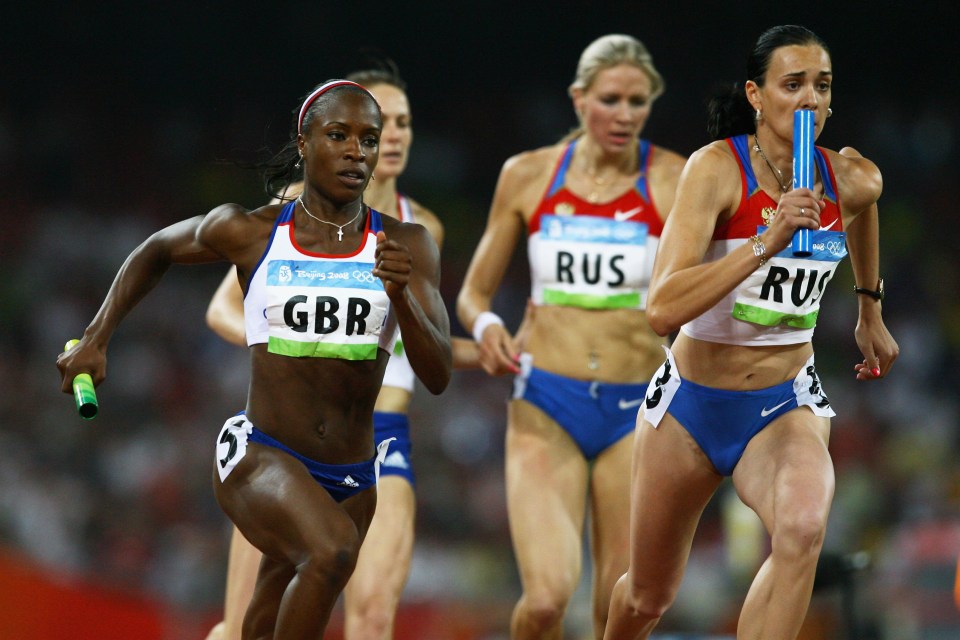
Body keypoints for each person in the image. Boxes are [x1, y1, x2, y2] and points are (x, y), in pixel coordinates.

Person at [57, 79, 452, 639]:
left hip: (355, 476)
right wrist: (97, 337)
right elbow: (157, 249)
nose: (355, 151)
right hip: (262, 457)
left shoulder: (408, 245)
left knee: (259, 626)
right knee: (332, 554)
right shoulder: (253, 230)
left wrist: (404, 298)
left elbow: (436, 376)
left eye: (368, 138)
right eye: (338, 135)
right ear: (305, 142)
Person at [602, 25, 899, 639]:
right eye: (793, 85)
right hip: (689, 407)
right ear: (756, 95)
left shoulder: (849, 176)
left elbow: (865, 208)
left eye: (822, 86)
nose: (810, 100)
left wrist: (869, 307)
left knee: (803, 527)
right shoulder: (716, 170)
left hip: (782, 403)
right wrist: (769, 239)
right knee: (648, 597)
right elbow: (661, 309)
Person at [203, 65, 479, 640]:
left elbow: (418, 338)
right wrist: (290, 341)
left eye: (399, 124)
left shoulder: (418, 228)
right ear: (319, 134)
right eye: (379, 120)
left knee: (372, 614)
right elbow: (222, 309)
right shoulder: (286, 211)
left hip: (379, 432)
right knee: (242, 623)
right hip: (281, 433)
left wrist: (488, 351)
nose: (392, 135)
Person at [456, 34, 686, 639]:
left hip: (636, 408)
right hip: (546, 403)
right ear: (579, 99)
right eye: (611, 99)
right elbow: (473, 294)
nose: (626, 115)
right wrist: (486, 326)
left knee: (622, 610)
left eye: (639, 102)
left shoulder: (675, 180)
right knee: (544, 600)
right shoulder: (528, 176)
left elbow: (703, 287)